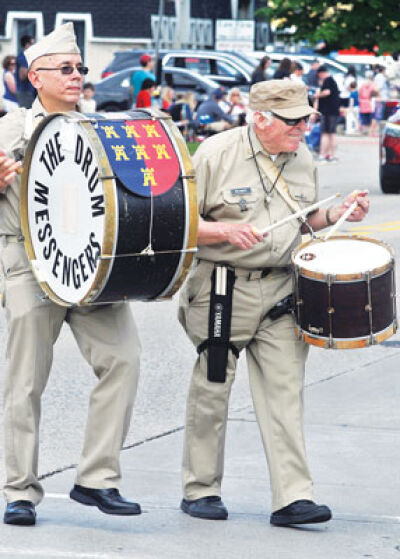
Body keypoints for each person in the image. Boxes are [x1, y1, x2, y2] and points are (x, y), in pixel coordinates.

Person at [177, 79, 369, 526]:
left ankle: (293, 497)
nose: (303, 127)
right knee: (212, 389)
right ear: (259, 117)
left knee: (285, 393)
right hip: (223, 288)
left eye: (307, 118)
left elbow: (306, 221)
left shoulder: (302, 157)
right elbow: (179, 222)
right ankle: (200, 489)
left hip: (282, 288)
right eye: (293, 120)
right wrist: (223, 231)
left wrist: (338, 214)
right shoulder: (215, 154)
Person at [0, 22, 142, 527]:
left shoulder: (99, 126)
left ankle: (96, 479)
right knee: (25, 382)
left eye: (80, 68)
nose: (77, 75)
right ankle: (19, 490)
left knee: (123, 359)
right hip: (30, 263)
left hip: (89, 267)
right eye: (66, 69)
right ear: (35, 77)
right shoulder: (10, 128)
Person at [314, 65, 341, 162]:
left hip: (327, 111)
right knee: (332, 133)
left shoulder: (327, 80)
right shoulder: (332, 80)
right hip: (334, 111)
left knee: (325, 133)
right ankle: (331, 155)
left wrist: (317, 95)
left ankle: (322, 154)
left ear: (321, 73)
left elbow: (326, 92)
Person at [15, 35, 36, 108]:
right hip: (25, 92)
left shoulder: (26, 56)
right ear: (27, 45)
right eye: (33, 44)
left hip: (28, 92)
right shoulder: (23, 57)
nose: (34, 46)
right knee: (27, 115)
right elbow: (22, 76)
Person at [358, 70, 378, 134]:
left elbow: (359, 94)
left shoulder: (362, 85)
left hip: (363, 104)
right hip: (370, 104)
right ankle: (369, 131)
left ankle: (365, 131)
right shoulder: (373, 85)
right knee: (372, 118)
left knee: (364, 119)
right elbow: (376, 94)